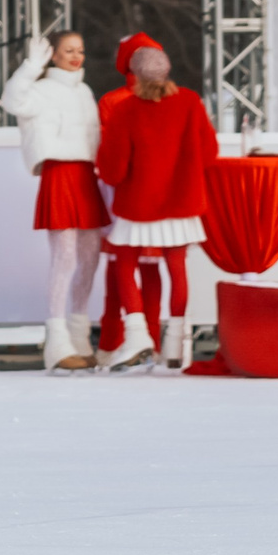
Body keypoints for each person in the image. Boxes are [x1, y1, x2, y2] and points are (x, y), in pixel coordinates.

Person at [93, 34, 218, 371]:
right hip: (181, 203)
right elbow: (209, 154)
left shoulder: (125, 110)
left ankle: (137, 336)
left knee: (124, 263)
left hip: (138, 204)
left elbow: (113, 170)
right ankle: (177, 344)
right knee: (177, 268)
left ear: (133, 72)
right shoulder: (191, 102)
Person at [0, 28, 105, 371]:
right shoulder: (41, 90)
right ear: (54, 56)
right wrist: (31, 66)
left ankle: (78, 331)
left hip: (87, 176)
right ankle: (56, 340)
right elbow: (12, 101)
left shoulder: (86, 91)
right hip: (60, 173)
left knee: (90, 257)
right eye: (69, 50)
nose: (76, 56)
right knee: (65, 256)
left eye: (81, 50)